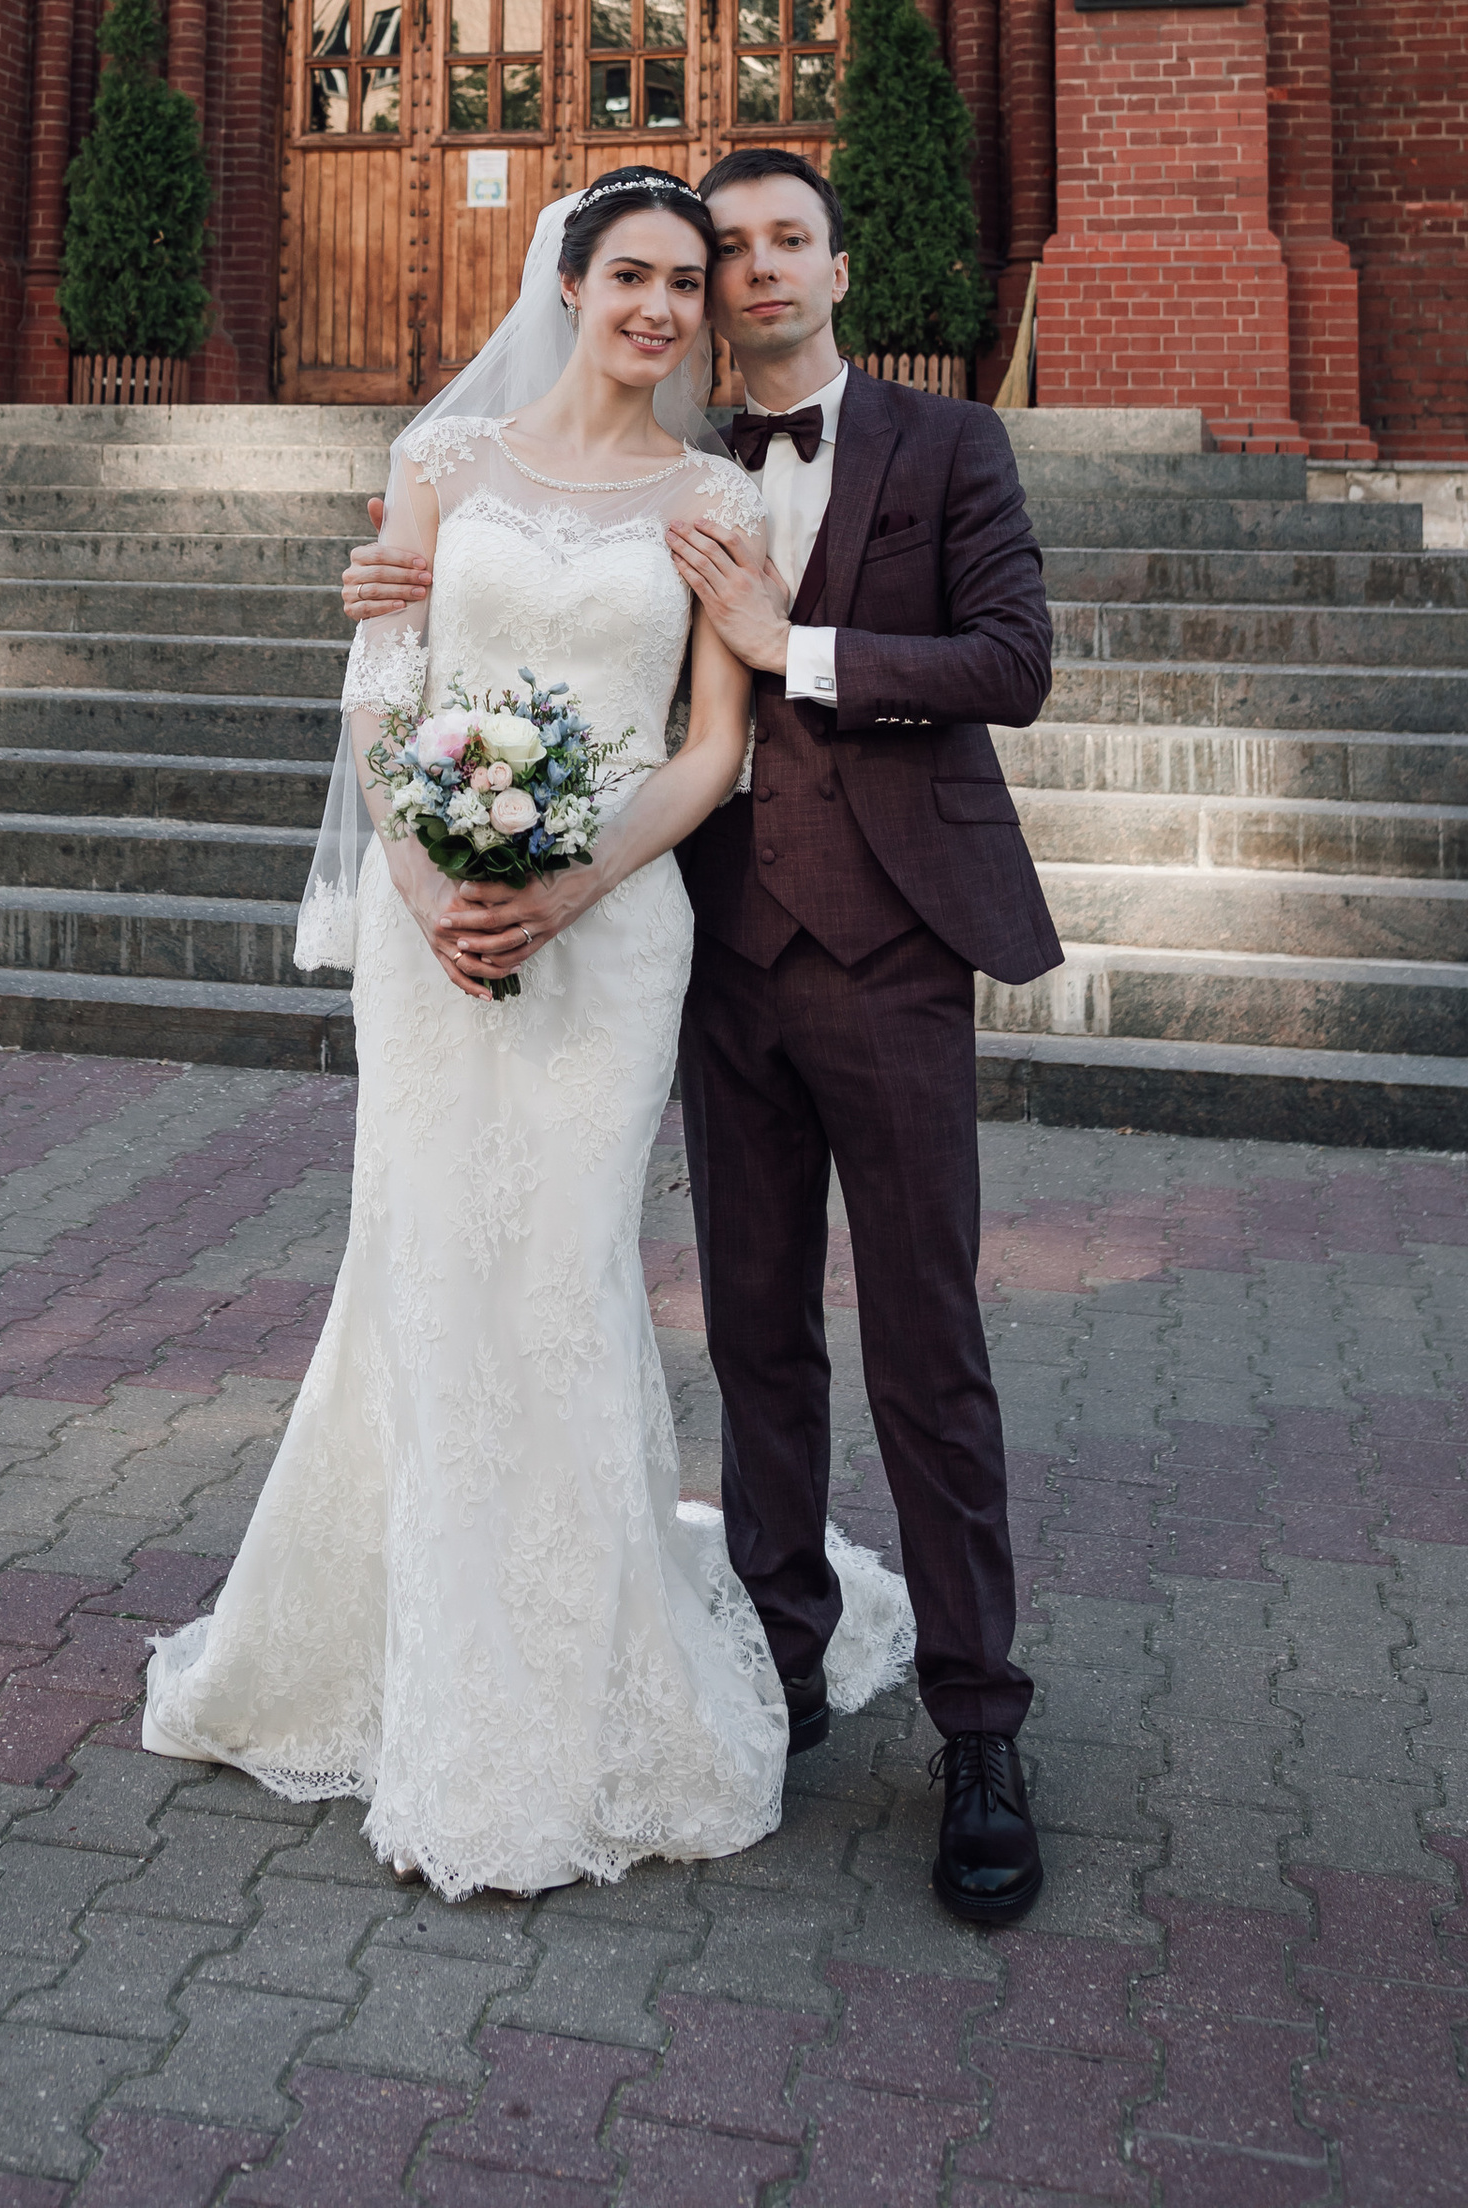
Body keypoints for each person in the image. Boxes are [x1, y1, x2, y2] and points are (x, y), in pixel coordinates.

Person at [145, 172, 914, 1899]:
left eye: (683, 286)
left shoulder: (717, 500)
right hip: (434, 936)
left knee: (560, 1276)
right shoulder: (441, 468)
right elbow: (384, 694)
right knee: (419, 1267)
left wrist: (562, 891)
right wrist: (428, 887)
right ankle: (385, 1651)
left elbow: (712, 749)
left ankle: (574, 1682)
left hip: (616, 929)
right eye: (627, 276)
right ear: (564, 285)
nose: (659, 308)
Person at [341, 146, 1061, 1926]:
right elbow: (511, 669)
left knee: (926, 1343)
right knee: (752, 1340)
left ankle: (981, 1729)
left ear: (836, 261)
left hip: (886, 952)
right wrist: (420, 716)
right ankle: (786, 1666)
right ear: (604, 289)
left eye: (777, 244)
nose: (739, 279)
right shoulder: (679, 470)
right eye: (711, 254)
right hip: (720, 953)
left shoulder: (945, 448)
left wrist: (792, 646)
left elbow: (1012, 660)